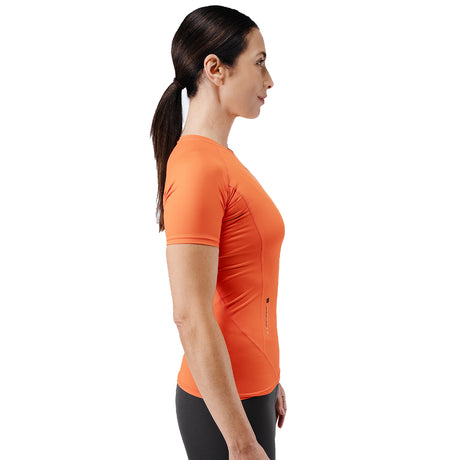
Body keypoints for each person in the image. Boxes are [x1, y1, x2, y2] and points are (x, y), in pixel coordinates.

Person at [150, 6, 287, 459]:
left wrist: (270, 377)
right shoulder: (197, 168)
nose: (269, 81)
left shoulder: (219, 160)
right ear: (215, 69)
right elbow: (189, 314)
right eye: (259, 62)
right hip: (224, 415)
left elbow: (245, 288)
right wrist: (241, 440)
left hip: (249, 394)